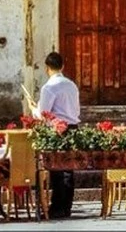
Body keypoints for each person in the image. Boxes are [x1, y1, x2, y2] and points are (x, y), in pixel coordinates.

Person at [29, 52, 80, 219]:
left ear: (47, 68)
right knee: (69, 169)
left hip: (57, 130)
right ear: (62, 66)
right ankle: (67, 206)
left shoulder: (49, 88)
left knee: (57, 170)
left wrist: (33, 108)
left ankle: (57, 207)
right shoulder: (71, 85)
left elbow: (43, 114)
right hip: (73, 128)